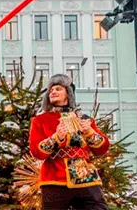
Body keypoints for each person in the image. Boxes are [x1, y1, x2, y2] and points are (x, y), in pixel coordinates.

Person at [29, 74, 110, 210]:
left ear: (69, 93)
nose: (53, 92)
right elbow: (36, 152)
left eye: (58, 89)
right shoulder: (40, 120)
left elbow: (102, 149)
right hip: (54, 179)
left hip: (85, 177)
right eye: (51, 90)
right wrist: (56, 138)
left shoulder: (85, 119)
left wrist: (90, 132)